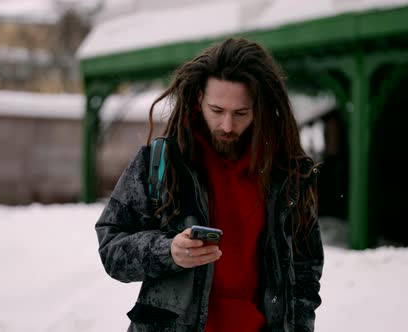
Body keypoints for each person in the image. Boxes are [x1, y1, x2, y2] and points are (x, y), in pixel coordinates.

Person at [95, 37, 324, 332]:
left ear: (260, 108)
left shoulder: (287, 175)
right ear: (198, 99)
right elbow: (111, 246)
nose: (227, 126)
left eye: (241, 113)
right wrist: (167, 251)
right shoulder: (161, 163)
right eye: (217, 110)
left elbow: (306, 270)